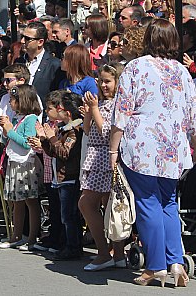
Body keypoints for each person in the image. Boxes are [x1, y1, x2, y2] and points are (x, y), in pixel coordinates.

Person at [109, 19, 196, 287]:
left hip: (143, 145)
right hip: (172, 145)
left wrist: (113, 148)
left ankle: (156, 266)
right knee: (169, 203)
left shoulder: (135, 68)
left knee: (148, 202)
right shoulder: (182, 71)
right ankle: (175, 261)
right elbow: (194, 113)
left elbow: (121, 112)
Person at [79, 64, 126, 271]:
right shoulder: (102, 102)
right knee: (107, 208)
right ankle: (117, 254)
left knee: (87, 204)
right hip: (95, 155)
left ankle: (104, 253)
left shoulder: (117, 103)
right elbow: (88, 129)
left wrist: (95, 109)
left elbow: (107, 131)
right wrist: (89, 111)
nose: (103, 84)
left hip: (106, 157)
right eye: (100, 80)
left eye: (107, 81)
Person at [34, 91, 84, 260]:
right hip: (60, 176)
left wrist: (53, 138)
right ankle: (69, 244)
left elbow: (64, 153)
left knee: (69, 215)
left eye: (60, 108)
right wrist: (44, 139)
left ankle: (73, 246)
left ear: (67, 113)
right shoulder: (64, 129)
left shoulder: (74, 131)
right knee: (66, 214)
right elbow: (54, 153)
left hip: (69, 177)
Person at [0, 84, 42, 249]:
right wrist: (6, 127)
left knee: (30, 201)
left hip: (25, 165)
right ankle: (16, 235)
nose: (10, 104)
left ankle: (31, 238)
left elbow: (26, 143)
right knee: (17, 201)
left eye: (13, 100)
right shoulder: (18, 118)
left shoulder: (30, 119)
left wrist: (10, 131)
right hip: (15, 162)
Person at [16, 21, 62, 102]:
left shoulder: (54, 65)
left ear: (40, 42)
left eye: (27, 39)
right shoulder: (18, 62)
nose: (22, 41)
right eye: (22, 37)